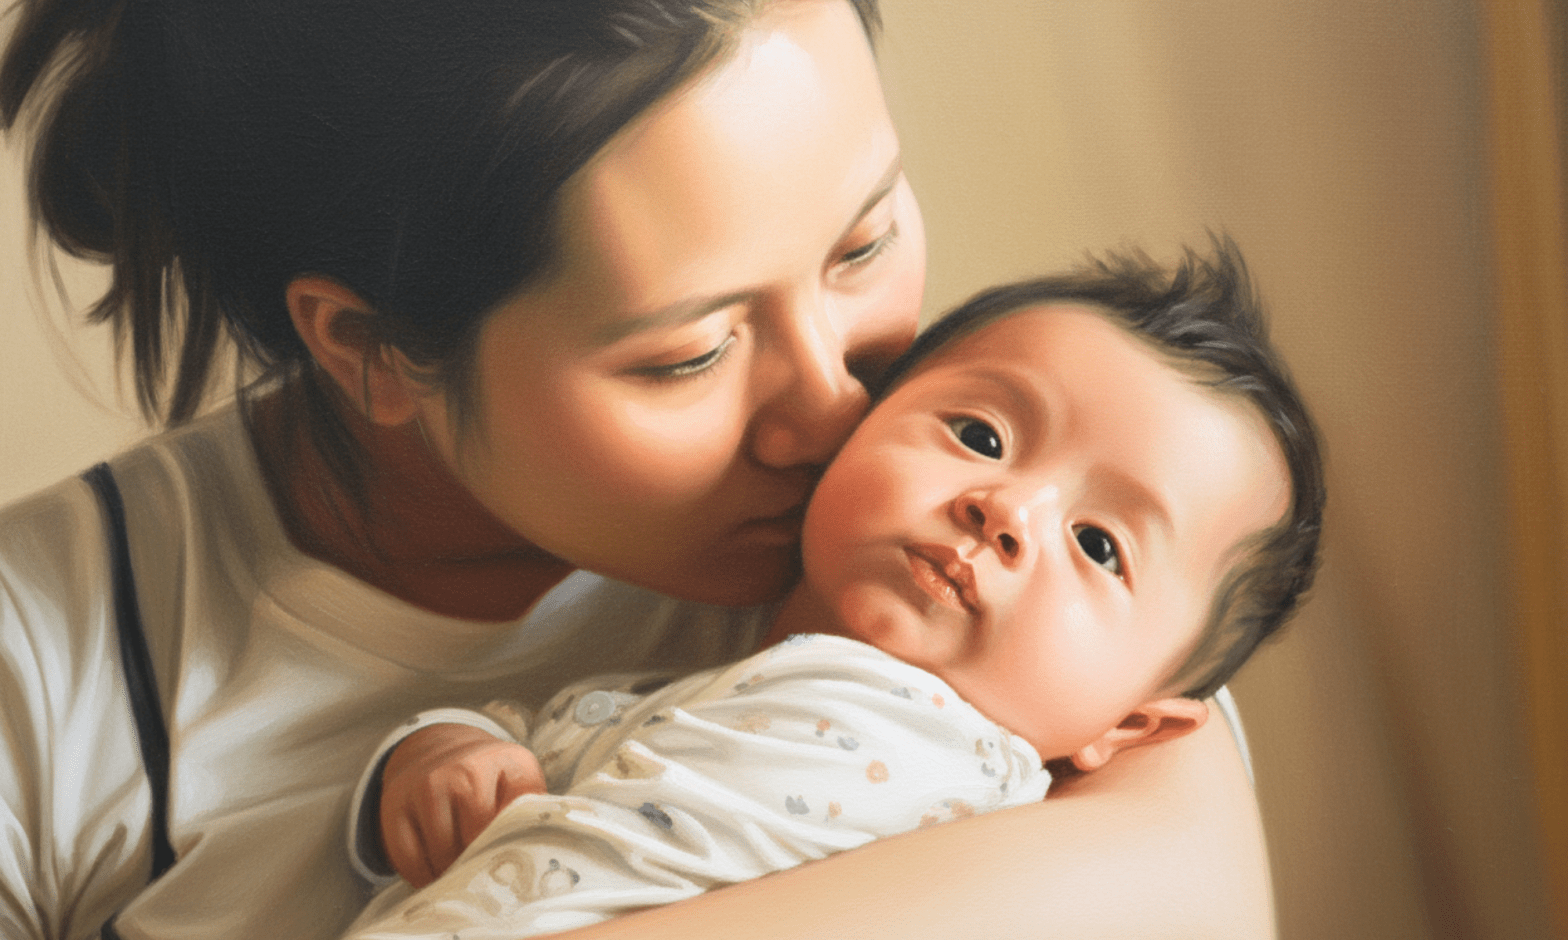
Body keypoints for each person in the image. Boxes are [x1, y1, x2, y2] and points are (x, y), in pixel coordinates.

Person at [0, 2, 1282, 938]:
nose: (831, 407)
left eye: (861, 243)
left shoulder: (1014, 583)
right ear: (373, 347)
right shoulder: (47, 667)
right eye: (690, 353)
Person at [337, 243, 1324, 940]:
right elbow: (539, 752)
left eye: (1099, 544)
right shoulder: (681, 675)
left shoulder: (988, 804)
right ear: (856, 423)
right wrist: (441, 751)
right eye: (979, 435)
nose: (1005, 510)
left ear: (1136, 724)